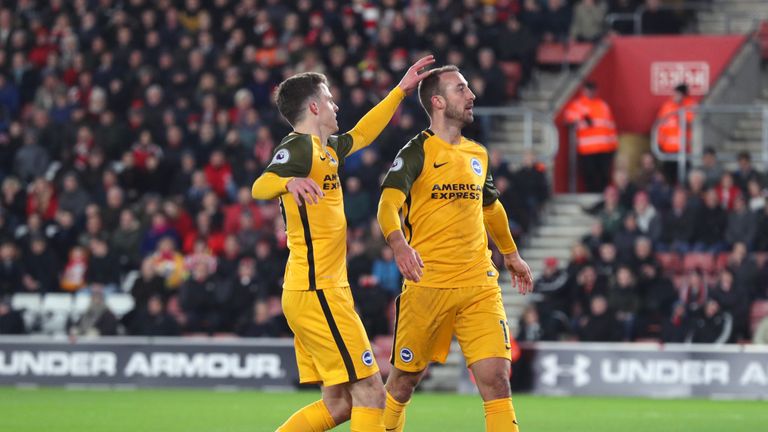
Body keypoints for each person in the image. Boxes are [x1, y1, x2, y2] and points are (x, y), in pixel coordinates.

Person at [250, 56, 435, 432]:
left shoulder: (326, 149)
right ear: (314, 107)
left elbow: (363, 134)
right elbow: (259, 185)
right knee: (371, 392)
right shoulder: (299, 147)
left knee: (338, 404)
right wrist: (287, 182)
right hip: (317, 288)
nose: (337, 106)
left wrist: (399, 92)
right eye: (330, 100)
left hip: (319, 288)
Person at [377, 65, 532, 432]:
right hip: (427, 286)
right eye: (461, 89)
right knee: (402, 383)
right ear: (438, 101)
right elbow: (387, 202)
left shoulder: (478, 154)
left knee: (496, 380)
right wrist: (398, 244)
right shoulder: (417, 151)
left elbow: (491, 207)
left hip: (478, 284)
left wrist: (511, 254)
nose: (471, 95)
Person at [564, 81, 618, 192]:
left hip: (605, 149)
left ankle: (604, 197)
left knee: (604, 175)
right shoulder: (578, 105)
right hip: (587, 149)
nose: (590, 92)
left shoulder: (603, 105)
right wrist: (581, 117)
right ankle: (592, 196)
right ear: (583, 90)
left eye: (592, 90)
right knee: (589, 175)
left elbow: (611, 126)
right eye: (588, 89)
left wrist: (614, 146)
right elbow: (567, 117)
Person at [655, 83, 696, 183]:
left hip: (684, 149)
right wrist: (659, 143)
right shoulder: (667, 107)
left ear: (684, 95)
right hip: (667, 150)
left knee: (684, 178)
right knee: (669, 177)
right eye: (675, 94)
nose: (675, 96)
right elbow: (660, 126)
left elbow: (691, 123)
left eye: (678, 94)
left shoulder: (691, 106)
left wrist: (680, 109)